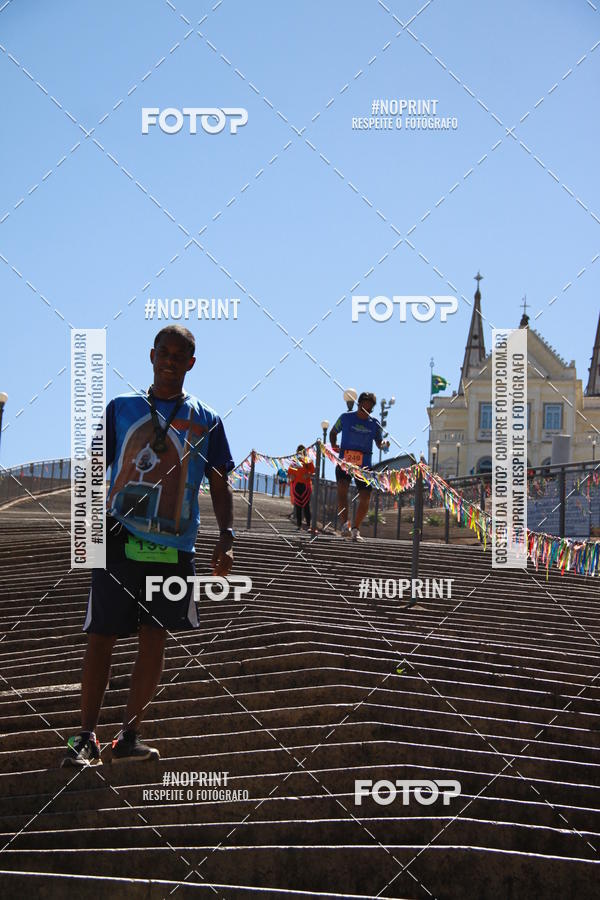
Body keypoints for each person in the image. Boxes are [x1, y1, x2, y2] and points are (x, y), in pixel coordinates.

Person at [62, 325, 235, 767]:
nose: (171, 361)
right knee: (101, 634)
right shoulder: (122, 408)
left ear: (191, 363)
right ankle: (85, 738)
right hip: (118, 537)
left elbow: (219, 483)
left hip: (174, 547)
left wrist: (227, 535)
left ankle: (128, 737)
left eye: (180, 355)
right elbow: (93, 467)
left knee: (155, 637)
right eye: (164, 352)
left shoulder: (207, 419)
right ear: (152, 355)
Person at [329, 391, 389, 542]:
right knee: (342, 491)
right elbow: (333, 432)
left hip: (364, 466)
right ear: (359, 404)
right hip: (345, 462)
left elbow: (379, 442)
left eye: (369, 409)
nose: (365, 411)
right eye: (363, 407)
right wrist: (334, 444)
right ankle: (345, 525)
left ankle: (355, 529)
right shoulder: (345, 417)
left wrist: (384, 444)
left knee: (366, 497)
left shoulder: (374, 423)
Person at [288, 445, 315, 531]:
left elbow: (313, 471)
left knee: (306, 506)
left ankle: (308, 525)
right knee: (298, 506)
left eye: (301, 451)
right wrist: (291, 477)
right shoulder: (294, 461)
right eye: (299, 451)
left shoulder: (308, 460)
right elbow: (290, 473)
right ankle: (299, 525)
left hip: (306, 485)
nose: (300, 452)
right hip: (297, 485)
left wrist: (308, 474)